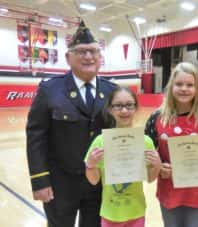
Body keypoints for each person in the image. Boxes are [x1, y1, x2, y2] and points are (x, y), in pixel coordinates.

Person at [26, 20, 116, 227]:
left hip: (99, 182)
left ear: (100, 57)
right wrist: (40, 180)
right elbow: (36, 137)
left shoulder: (112, 92)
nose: (88, 56)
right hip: (60, 184)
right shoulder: (50, 90)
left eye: (93, 51)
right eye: (81, 51)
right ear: (68, 57)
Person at [145, 62, 198, 227]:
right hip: (169, 192)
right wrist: (159, 167)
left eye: (190, 85)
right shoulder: (156, 117)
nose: (184, 89)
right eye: (179, 84)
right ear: (171, 86)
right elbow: (146, 155)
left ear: (197, 88)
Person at [84, 87, 161, 227]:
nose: (124, 110)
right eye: (118, 106)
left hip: (136, 212)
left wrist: (157, 165)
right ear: (110, 109)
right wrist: (91, 165)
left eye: (129, 105)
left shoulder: (146, 142)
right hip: (110, 213)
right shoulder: (100, 142)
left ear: (136, 108)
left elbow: (150, 178)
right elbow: (94, 180)